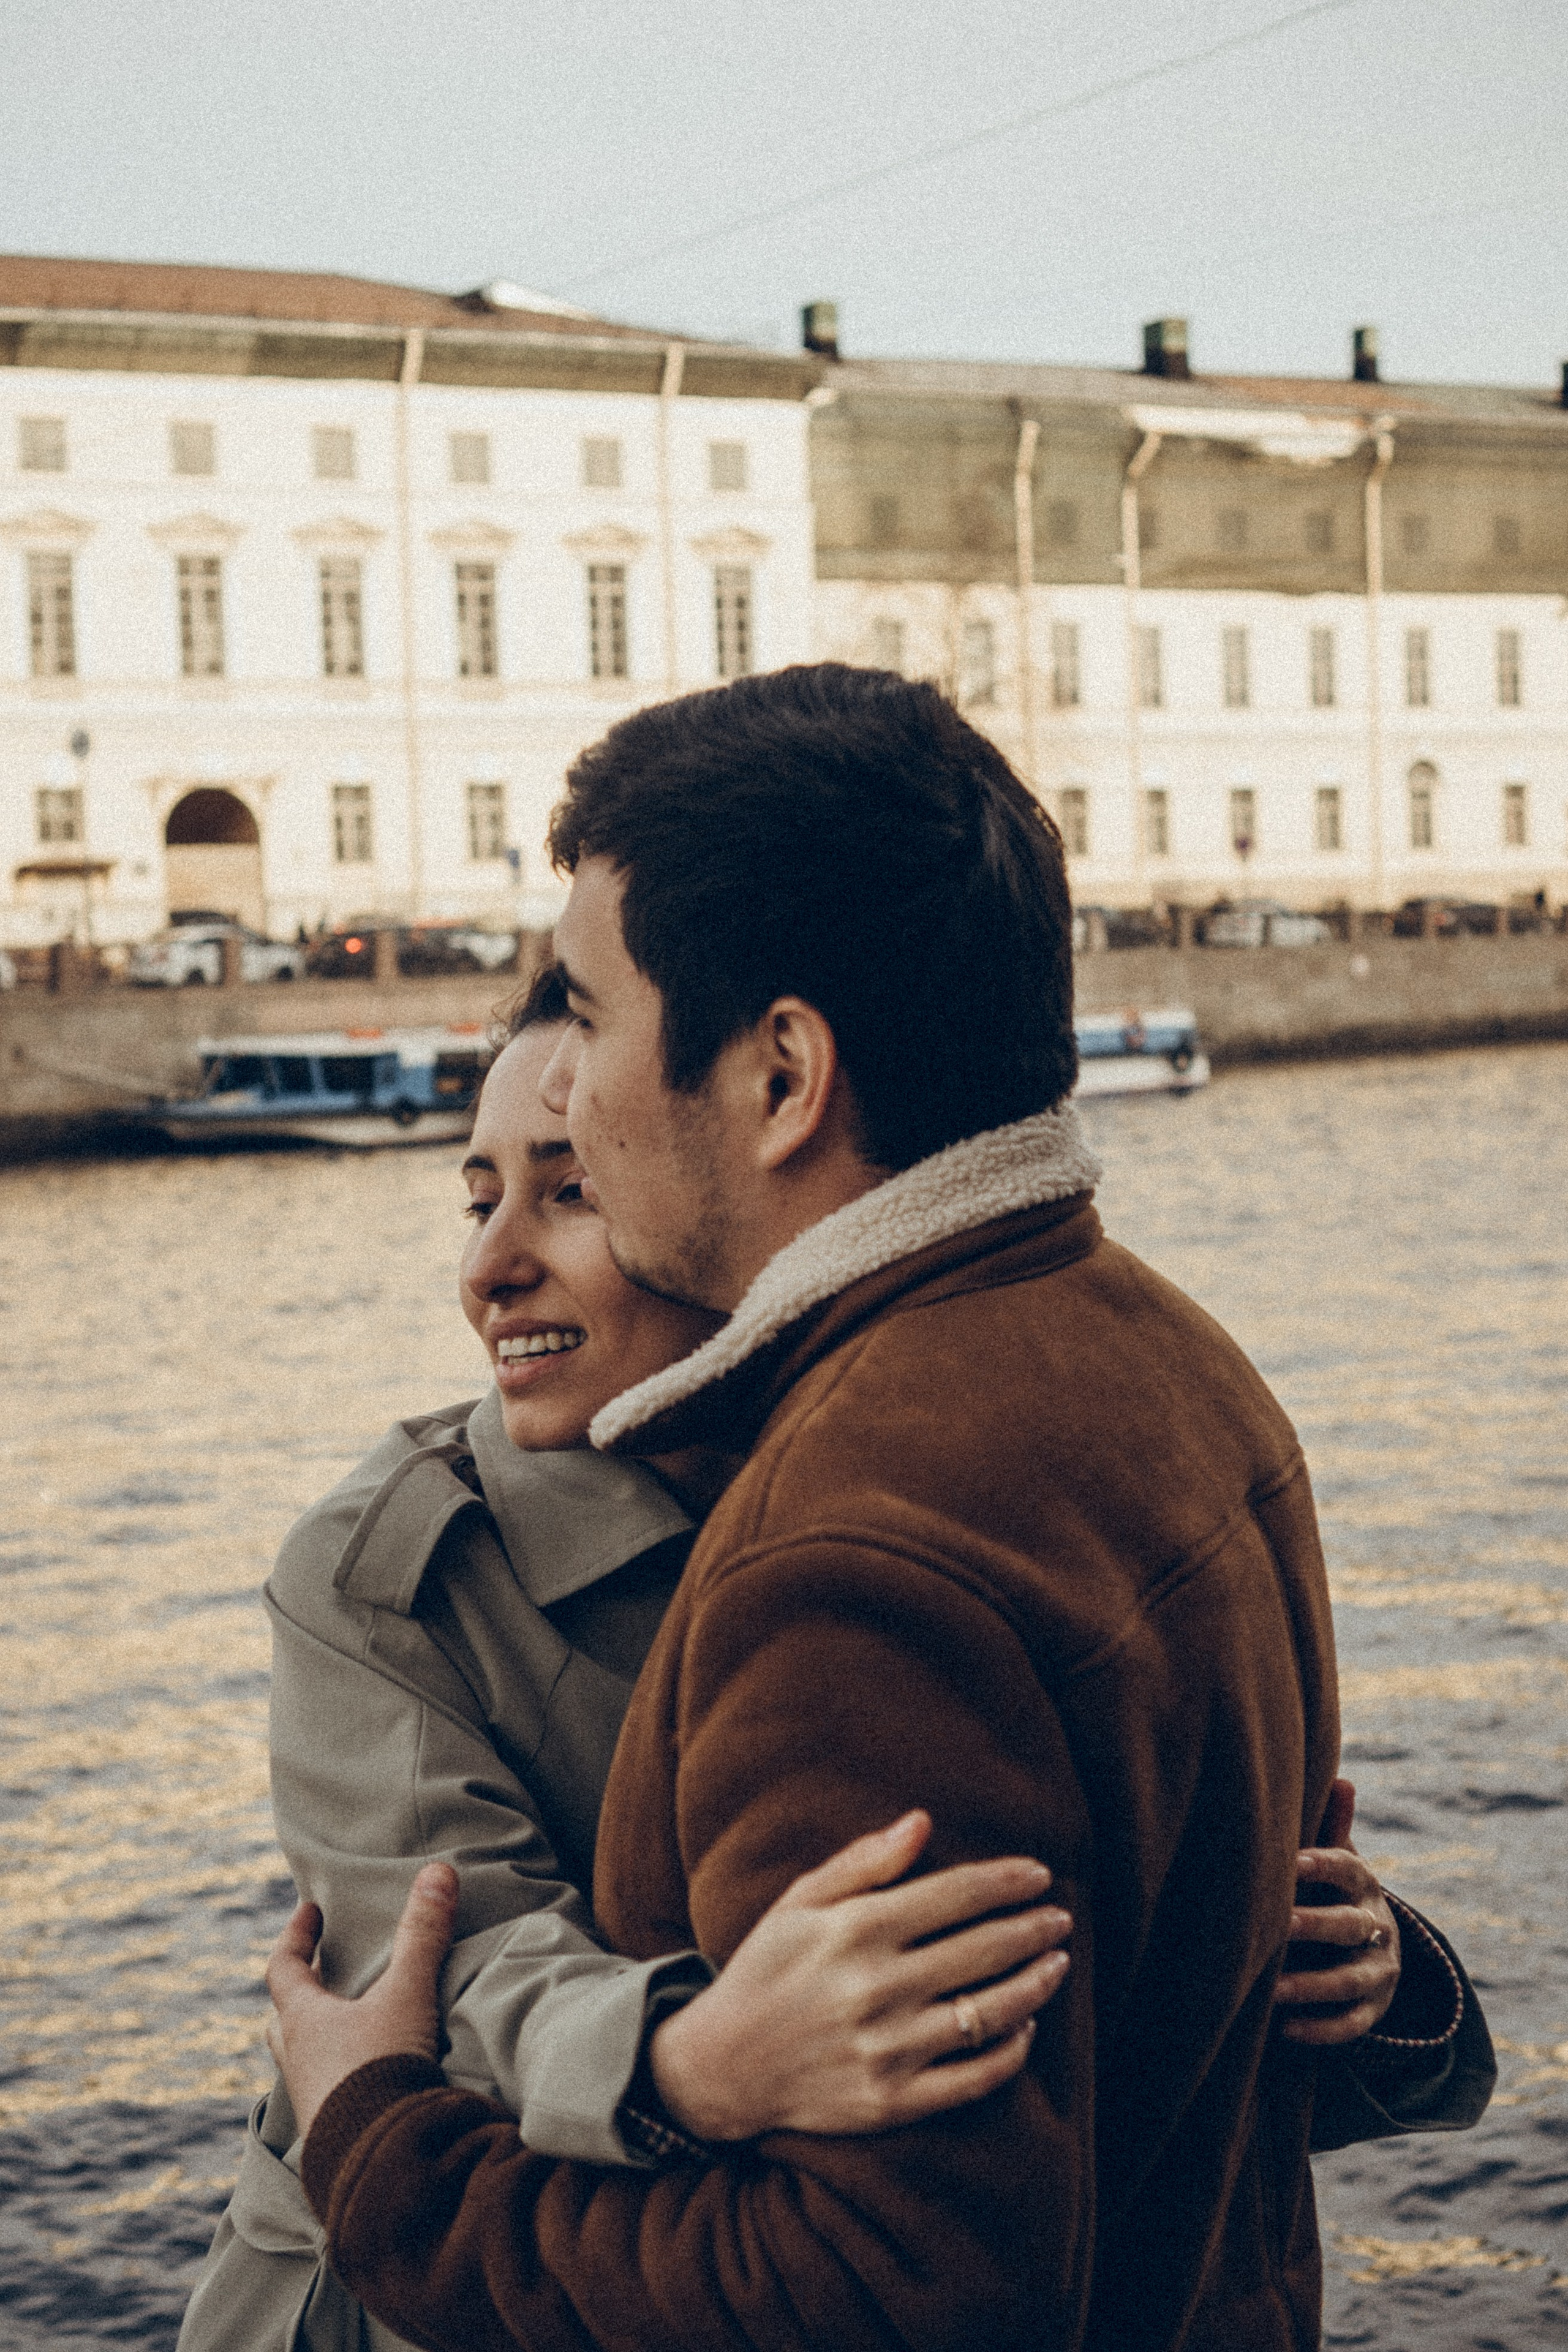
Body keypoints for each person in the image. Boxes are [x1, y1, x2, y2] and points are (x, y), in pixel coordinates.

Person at [270, 666, 1493, 2352]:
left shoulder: (841, 1552)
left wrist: (381, 2159)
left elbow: (874, 2292)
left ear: (783, 1075)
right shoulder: (1183, 1365)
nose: (578, 1103)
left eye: (596, 1021)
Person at [179, 965, 1077, 2352]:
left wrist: (1350, 1985)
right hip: (404, 2299)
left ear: (717, 1201)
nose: (488, 1268)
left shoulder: (897, 1489)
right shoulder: (379, 1575)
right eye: (479, 1199)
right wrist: (685, 2061)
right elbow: (440, 1974)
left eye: (572, 1190)